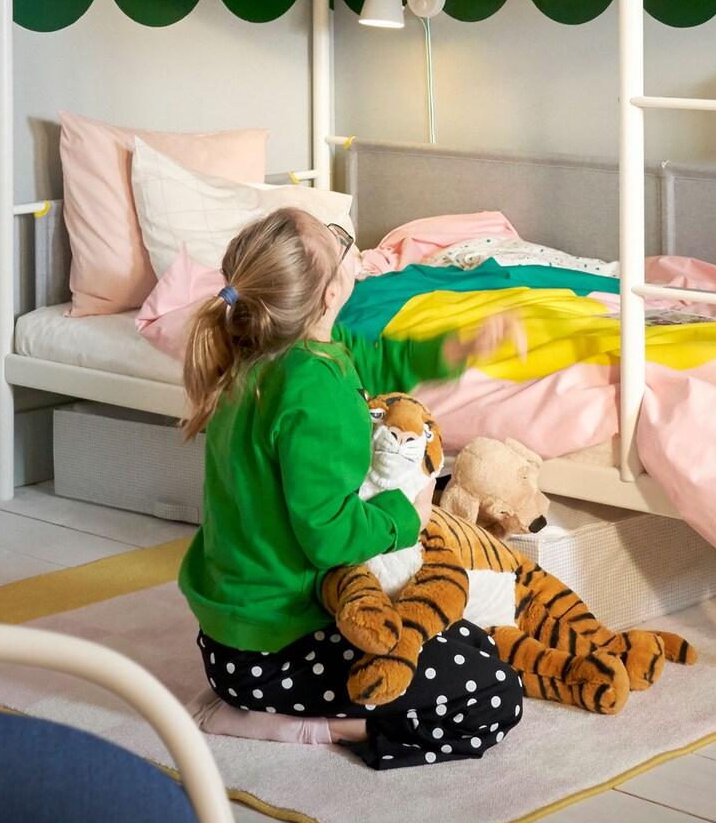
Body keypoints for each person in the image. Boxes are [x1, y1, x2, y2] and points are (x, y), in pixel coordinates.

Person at [178, 206, 528, 770]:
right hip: (273, 655)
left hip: (239, 642)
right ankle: (303, 728)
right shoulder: (309, 390)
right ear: (329, 291)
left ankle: (262, 703)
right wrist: (406, 515)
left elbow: (380, 356)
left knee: (474, 642)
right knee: (492, 696)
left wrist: (455, 348)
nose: (352, 245)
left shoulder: (272, 349)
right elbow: (328, 535)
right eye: (341, 239)